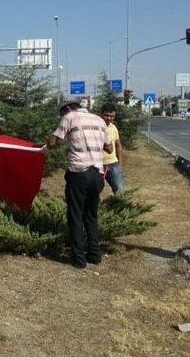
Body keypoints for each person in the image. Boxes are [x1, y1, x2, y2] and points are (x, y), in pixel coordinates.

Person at [47, 101, 113, 269]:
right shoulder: (99, 120)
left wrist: (51, 141)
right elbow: (110, 148)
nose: (62, 116)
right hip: (97, 174)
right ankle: (94, 255)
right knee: (91, 216)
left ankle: (78, 259)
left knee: (75, 215)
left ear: (67, 109)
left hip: (78, 173)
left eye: (62, 113)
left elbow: (53, 143)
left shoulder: (69, 117)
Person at [100, 103, 125, 194]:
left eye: (112, 116)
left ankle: (120, 206)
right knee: (95, 191)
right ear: (101, 114)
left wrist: (120, 164)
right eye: (106, 115)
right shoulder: (95, 127)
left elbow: (118, 146)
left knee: (120, 190)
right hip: (98, 165)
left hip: (113, 164)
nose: (109, 118)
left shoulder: (113, 127)